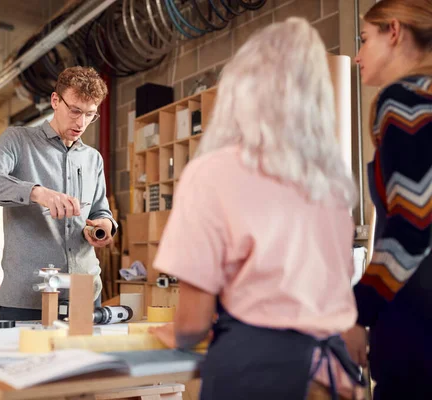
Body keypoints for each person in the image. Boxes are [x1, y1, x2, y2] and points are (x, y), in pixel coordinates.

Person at [149, 18, 365, 399]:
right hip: (333, 375)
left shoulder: (214, 171)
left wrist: (173, 331)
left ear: (242, 89)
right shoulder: (331, 183)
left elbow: (192, 324)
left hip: (257, 376)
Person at [0, 66, 117, 321]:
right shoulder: (18, 140)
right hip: (27, 299)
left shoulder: (93, 159)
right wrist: (35, 192)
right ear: (55, 101)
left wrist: (105, 225)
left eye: (90, 114)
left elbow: (101, 210)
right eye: (75, 111)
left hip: (84, 295)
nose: (81, 123)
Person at [344, 0, 432, 397]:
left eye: (364, 39)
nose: (358, 56)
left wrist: (356, 312)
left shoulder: (403, 101)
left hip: (418, 332)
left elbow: (413, 225)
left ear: (394, 32)